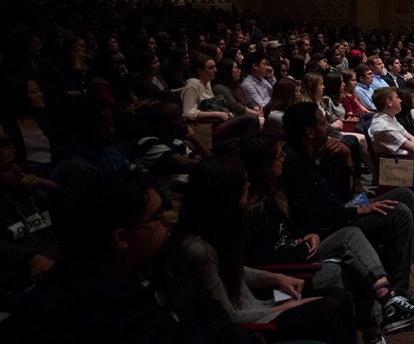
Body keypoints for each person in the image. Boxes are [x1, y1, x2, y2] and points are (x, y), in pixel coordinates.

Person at [1, 170, 252, 343]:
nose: (169, 219)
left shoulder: (161, 260)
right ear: (121, 238)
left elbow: (213, 316)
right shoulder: (58, 310)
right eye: (158, 215)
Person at [239, 133, 414, 341]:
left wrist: (307, 235)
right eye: (278, 156)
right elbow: (264, 261)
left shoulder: (278, 192)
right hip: (286, 283)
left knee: (365, 251)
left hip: (307, 251)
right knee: (355, 258)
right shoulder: (254, 211)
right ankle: (385, 309)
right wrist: (301, 246)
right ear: (266, 166)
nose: (283, 159)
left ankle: (387, 308)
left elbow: (305, 221)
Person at [175, 155, 358, 343]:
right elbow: (228, 318)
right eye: (244, 183)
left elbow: (233, 271)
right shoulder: (199, 250)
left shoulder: (219, 229)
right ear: (227, 193)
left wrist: (276, 278)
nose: (248, 186)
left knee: (340, 296)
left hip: (261, 303)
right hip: (253, 321)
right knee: (329, 308)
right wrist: (286, 308)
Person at [279, 102, 414, 296]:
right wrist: (359, 210)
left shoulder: (320, 154)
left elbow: (345, 195)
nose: (327, 127)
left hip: (342, 211)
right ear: (310, 132)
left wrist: (346, 160)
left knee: (404, 195)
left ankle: (403, 270)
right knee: (398, 212)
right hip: (331, 228)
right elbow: (310, 215)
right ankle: (398, 290)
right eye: (322, 123)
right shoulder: (293, 164)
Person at [0, 137, 59, 308]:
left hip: (60, 264)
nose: (18, 171)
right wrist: (30, 257)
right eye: (7, 168)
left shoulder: (31, 192)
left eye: (15, 162)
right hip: (23, 283)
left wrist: (52, 188)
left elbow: (75, 213)